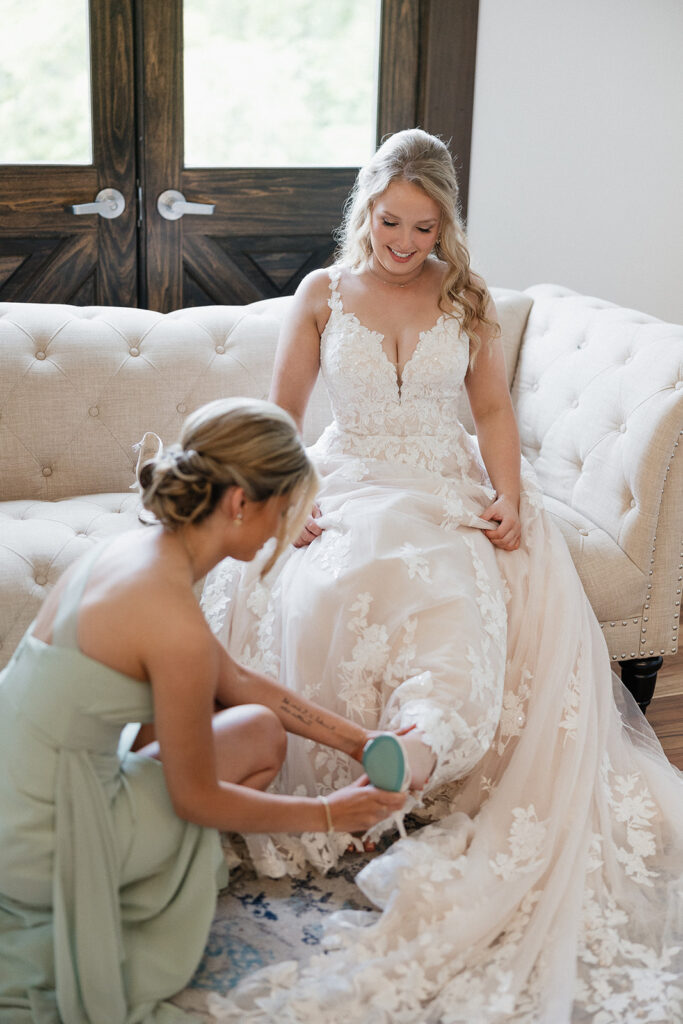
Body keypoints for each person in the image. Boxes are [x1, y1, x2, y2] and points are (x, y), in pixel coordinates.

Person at [203, 130, 683, 1022]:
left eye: (423, 228)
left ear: (444, 227)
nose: (404, 242)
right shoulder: (320, 296)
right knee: (320, 583)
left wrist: (505, 493)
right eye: (391, 222)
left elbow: (492, 408)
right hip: (344, 478)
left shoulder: (465, 298)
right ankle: (345, 778)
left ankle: (413, 758)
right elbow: (281, 414)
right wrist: (284, 497)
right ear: (365, 211)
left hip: (438, 482)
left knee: (451, 597)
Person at [0, 397, 406, 1023]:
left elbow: (240, 681)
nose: (281, 531)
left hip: (19, 785)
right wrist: (328, 813)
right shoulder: (170, 619)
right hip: (41, 837)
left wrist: (363, 742)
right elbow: (196, 799)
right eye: (280, 511)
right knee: (221, 767)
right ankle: (123, 905)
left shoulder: (137, 555)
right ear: (241, 502)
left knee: (257, 729)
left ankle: (142, 880)